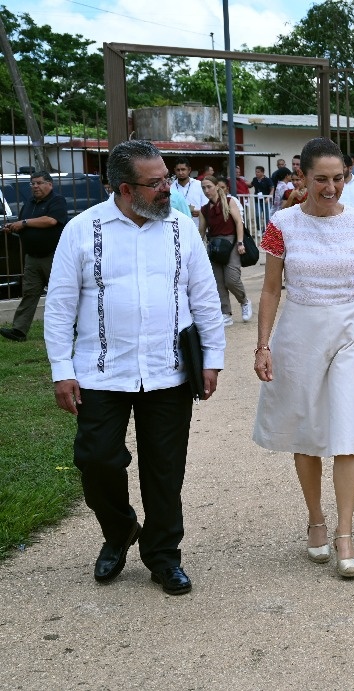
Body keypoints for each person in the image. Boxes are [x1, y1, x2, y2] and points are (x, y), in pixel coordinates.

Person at [43, 139, 225, 595]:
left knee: (165, 470)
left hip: (169, 371)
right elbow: (61, 305)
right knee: (97, 458)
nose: (168, 187)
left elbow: (204, 299)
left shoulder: (181, 229)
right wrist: (61, 368)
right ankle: (120, 529)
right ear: (125, 189)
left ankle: (163, 555)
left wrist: (213, 360)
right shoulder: (82, 231)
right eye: (157, 182)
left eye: (167, 178)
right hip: (101, 371)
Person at [252, 137, 354, 580]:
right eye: (322, 179)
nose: (331, 188)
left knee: (348, 428)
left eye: (339, 179)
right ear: (302, 179)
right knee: (307, 429)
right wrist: (263, 344)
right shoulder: (282, 224)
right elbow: (271, 289)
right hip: (300, 332)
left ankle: (345, 533)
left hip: (350, 330)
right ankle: (316, 519)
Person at [1, 172, 68, 342]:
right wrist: (14, 227)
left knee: (60, 295)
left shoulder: (56, 201)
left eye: (38, 183)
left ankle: (72, 328)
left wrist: (23, 223)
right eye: (32, 184)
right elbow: (24, 223)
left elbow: (51, 221)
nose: (35, 186)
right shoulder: (29, 203)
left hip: (52, 257)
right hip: (32, 258)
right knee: (30, 293)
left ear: (49, 184)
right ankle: (19, 331)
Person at [200, 177, 251, 326]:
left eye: (209, 187)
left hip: (231, 242)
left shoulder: (229, 202)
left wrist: (240, 242)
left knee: (232, 279)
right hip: (215, 246)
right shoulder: (204, 209)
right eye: (203, 188)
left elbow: (238, 223)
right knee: (219, 282)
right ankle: (226, 313)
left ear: (217, 186)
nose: (206, 190)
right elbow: (202, 231)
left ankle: (244, 301)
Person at [172, 158, 205, 228]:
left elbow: (206, 205)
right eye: (178, 170)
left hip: (198, 227)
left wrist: (200, 212)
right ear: (174, 170)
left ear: (189, 170)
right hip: (177, 228)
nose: (180, 173)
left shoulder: (199, 185)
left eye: (183, 169)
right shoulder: (171, 188)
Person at [250, 165, 274, 230]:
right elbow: (250, 185)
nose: (256, 173)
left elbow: (272, 188)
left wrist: (269, 197)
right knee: (257, 215)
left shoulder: (267, 180)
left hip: (266, 201)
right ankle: (258, 229)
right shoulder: (255, 179)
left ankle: (266, 229)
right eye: (256, 172)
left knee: (267, 216)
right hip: (257, 200)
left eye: (258, 172)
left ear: (262, 173)